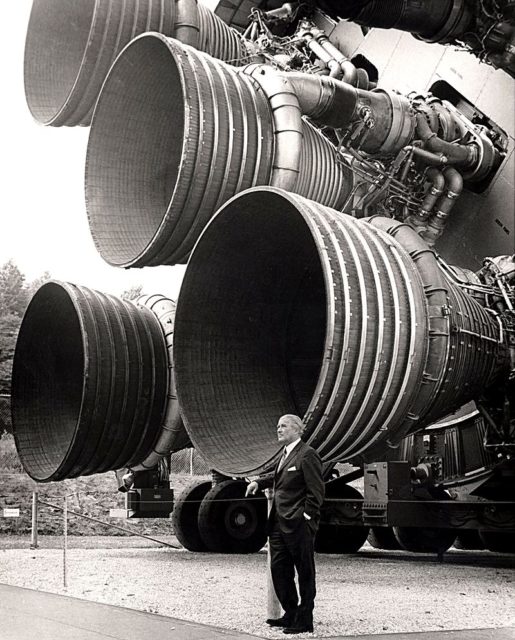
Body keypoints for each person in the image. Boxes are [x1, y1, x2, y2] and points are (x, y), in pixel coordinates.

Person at [246, 414, 325, 634]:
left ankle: (305, 618)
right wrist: (258, 482)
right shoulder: (286, 454)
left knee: (304, 571)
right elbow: (278, 477)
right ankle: (290, 613)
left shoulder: (307, 455)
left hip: (298, 524)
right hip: (279, 524)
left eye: (283, 426)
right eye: (277, 425)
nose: (278, 429)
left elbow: (316, 492)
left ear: (298, 430)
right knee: (279, 569)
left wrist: (306, 518)